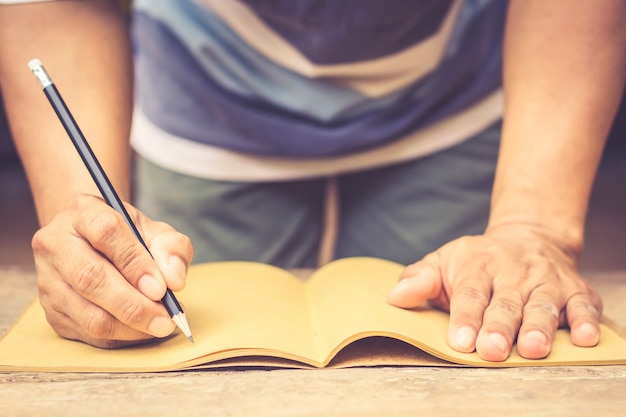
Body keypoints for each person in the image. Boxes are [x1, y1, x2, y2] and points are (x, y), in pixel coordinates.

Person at [0, 0, 624, 362]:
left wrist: (532, 224)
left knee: (475, 334)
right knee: (140, 315)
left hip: (451, 87)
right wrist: (83, 220)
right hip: (203, 90)